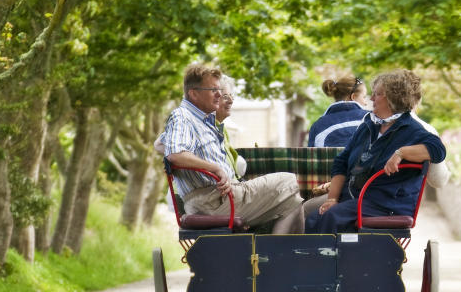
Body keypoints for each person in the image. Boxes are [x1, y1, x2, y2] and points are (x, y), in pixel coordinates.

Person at [160, 64, 304, 233]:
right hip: (213, 200)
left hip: (220, 197)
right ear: (194, 93)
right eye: (213, 90)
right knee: (288, 181)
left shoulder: (199, 119)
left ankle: (279, 255)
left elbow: (162, 144)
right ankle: (284, 254)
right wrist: (215, 168)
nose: (220, 95)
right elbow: (175, 154)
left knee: (293, 201)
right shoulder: (183, 116)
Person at [305, 70, 446, 234]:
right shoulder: (369, 126)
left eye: (377, 94)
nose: (371, 99)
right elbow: (341, 162)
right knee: (314, 217)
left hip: (385, 204)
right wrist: (332, 198)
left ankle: (324, 258)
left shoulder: (412, 130)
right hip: (357, 197)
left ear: (393, 99)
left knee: (330, 218)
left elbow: (438, 150)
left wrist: (401, 153)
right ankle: (316, 257)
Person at [306, 75, 368, 147]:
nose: (366, 103)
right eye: (364, 97)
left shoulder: (317, 126)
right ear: (353, 97)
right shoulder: (373, 119)